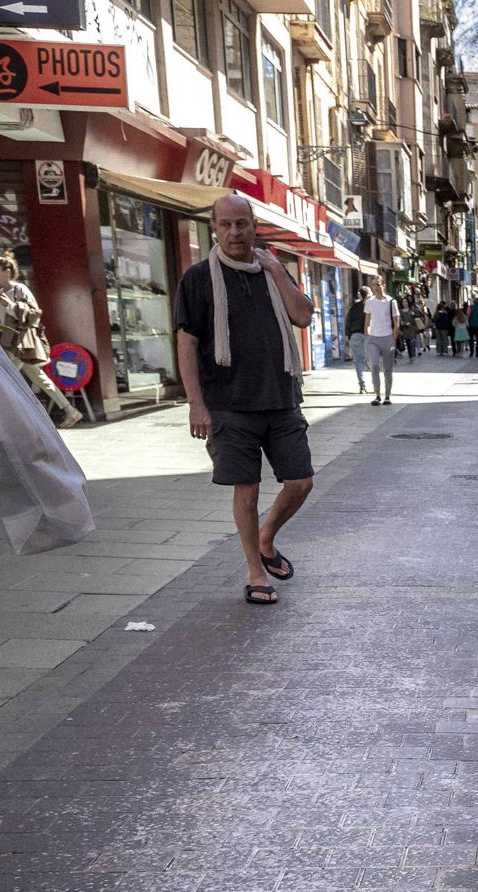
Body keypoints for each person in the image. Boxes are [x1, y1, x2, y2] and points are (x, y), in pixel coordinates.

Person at [173, 193, 316, 606]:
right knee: (247, 490)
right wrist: (195, 403)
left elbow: (303, 315)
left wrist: (275, 268)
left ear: (254, 227)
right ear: (214, 229)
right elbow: (186, 343)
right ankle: (256, 572)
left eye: (242, 224)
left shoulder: (273, 270)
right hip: (228, 404)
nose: (235, 232)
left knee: (301, 482)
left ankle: (266, 537)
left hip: (281, 397)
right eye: (226, 225)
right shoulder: (198, 278)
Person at [0, 254, 82, 427]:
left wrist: (9, 305)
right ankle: (70, 411)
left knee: (5, 378)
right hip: (13, 345)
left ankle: (4, 420)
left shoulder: (20, 290)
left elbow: (34, 315)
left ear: (7, 272)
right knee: (40, 379)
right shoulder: (3, 293)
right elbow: (6, 323)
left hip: (22, 345)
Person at [362, 275, 399, 405]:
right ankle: (377, 395)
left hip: (387, 337)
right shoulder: (369, 302)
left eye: (378, 284)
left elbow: (396, 322)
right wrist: (367, 335)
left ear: (383, 285)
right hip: (373, 339)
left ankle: (387, 396)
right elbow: (367, 321)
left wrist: (394, 338)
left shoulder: (391, 302)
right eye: (373, 285)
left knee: (388, 369)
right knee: (375, 365)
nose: (376, 287)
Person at [344, 288, 369, 393]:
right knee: (371, 360)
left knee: (358, 361)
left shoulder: (353, 307)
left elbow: (348, 321)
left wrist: (348, 336)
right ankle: (376, 384)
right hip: (367, 335)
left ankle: (362, 386)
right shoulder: (369, 306)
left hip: (354, 335)